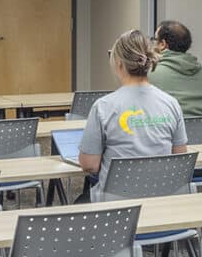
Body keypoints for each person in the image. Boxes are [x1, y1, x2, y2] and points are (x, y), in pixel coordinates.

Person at [78, 29, 184, 180]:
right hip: (162, 197)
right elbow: (180, 157)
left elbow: (90, 164)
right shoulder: (171, 103)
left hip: (117, 200)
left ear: (119, 63)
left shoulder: (103, 106)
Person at [147, 20, 202, 117]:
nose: (153, 43)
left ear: (163, 44)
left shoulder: (151, 74)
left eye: (154, 39)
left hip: (169, 131)